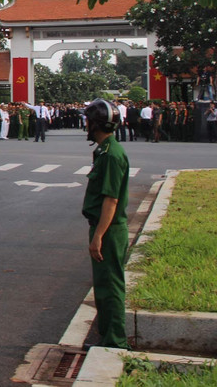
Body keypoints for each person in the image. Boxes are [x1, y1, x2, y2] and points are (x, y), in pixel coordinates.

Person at [82, 98, 130, 350]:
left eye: (88, 120)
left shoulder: (111, 155)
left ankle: (115, 342)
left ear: (96, 124)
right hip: (104, 227)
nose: (85, 124)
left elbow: (111, 200)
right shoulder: (105, 150)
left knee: (110, 287)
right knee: (103, 286)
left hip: (109, 230)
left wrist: (98, 236)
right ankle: (107, 338)